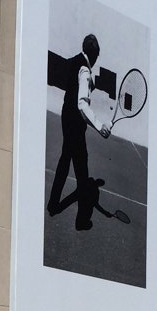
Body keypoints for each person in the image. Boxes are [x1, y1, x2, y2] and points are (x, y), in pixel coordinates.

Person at [46, 34, 111, 230]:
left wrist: (89, 83)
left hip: (66, 117)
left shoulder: (76, 62)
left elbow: (75, 87)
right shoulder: (85, 70)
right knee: (82, 173)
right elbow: (82, 104)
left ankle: (53, 204)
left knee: (65, 161)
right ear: (96, 55)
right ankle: (81, 221)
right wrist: (100, 126)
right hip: (75, 122)